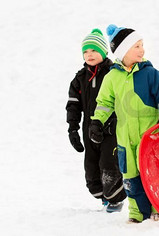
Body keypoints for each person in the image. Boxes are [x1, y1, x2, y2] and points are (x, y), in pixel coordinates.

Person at [90, 24, 159, 224]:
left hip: (151, 136)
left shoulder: (150, 74)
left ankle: (157, 207)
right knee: (130, 176)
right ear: (122, 51)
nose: (142, 50)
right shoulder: (112, 77)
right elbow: (104, 103)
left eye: (142, 45)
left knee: (154, 172)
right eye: (136, 46)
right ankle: (137, 212)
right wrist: (97, 122)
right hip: (125, 138)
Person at [66, 29, 126, 212]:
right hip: (88, 131)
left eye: (93, 50)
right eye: (85, 51)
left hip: (111, 129)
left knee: (109, 166)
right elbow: (73, 105)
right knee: (91, 171)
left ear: (103, 52)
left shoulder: (113, 73)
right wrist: (72, 129)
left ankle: (115, 200)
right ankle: (104, 198)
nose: (89, 55)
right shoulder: (80, 78)